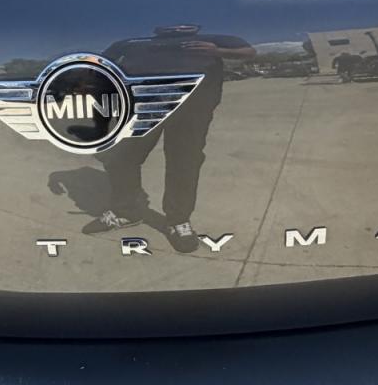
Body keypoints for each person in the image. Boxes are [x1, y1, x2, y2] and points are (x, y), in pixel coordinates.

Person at [82, 25, 253, 252]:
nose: (177, 26)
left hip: (192, 110)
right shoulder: (132, 42)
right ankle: (126, 211)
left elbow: (249, 52)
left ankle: (178, 220)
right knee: (120, 157)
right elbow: (101, 65)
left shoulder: (213, 38)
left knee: (184, 163)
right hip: (142, 107)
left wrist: (218, 51)